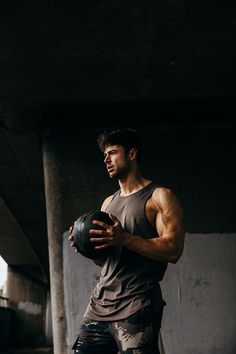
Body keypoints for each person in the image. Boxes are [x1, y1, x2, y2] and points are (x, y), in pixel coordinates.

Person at [69, 128, 185, 354]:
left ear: (132, 154)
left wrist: (125, 238)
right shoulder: (107, 203)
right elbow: (109, 261)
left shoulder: (159, 196)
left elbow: (173, 250)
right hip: (100, 305)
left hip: (137, 304)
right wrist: (88, 248)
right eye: (104, 155)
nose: (106, 159)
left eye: (112, 152)